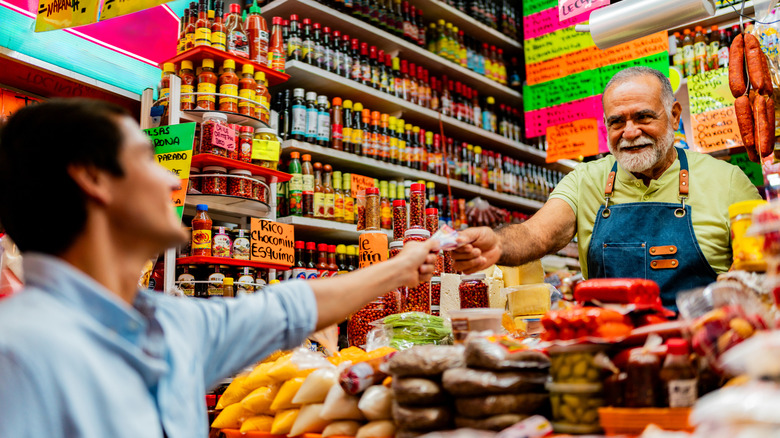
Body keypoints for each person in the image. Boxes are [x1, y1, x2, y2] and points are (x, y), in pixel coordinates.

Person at [0, 99, 438, 437]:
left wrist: (406, 266)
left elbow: (290, 307)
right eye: (148, 157)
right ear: (93, 178)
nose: (175, 180)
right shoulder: (19, 351)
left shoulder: (169, 324)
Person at [453, 66, 761, 308]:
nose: (629, 132)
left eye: (643, 117)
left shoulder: (728, 181)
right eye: (616, 122)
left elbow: (765, 265)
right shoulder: (585, 180)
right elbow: (536, 234)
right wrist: (495, 245)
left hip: (702, 347)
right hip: (608, 349)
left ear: (674, 115)